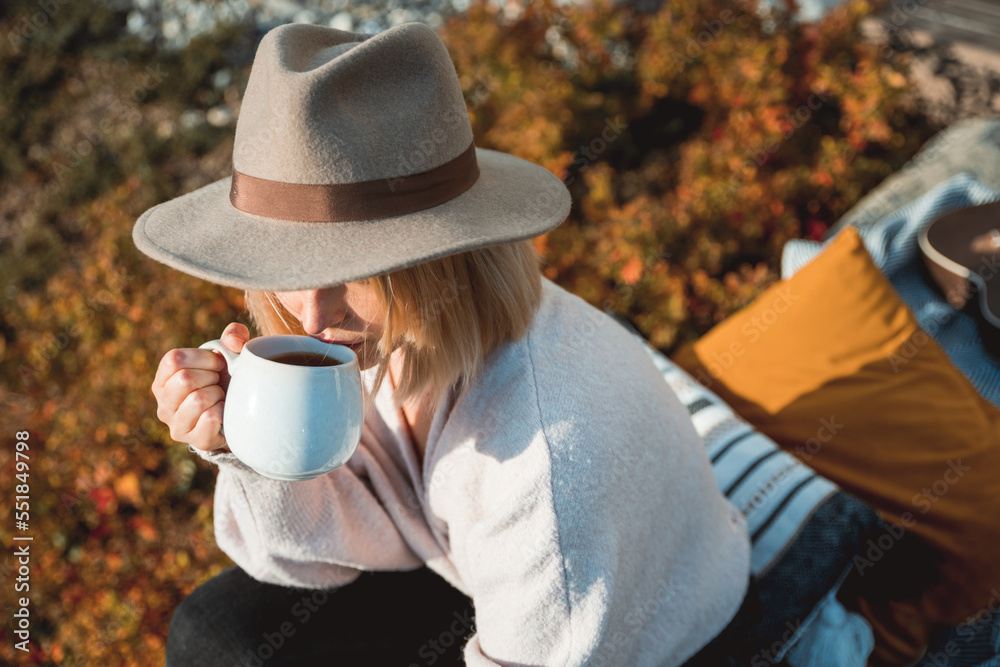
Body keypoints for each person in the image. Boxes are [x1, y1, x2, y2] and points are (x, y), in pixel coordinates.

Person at [135, 21, 753, 666]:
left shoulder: (546, 460)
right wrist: (245, 440)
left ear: (441, 255)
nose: (311, 312)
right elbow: (308, 561)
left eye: (356, 267)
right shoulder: (396, 335)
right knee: (217, 631)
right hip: (473, 570)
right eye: (289, 263)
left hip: (658, 643)